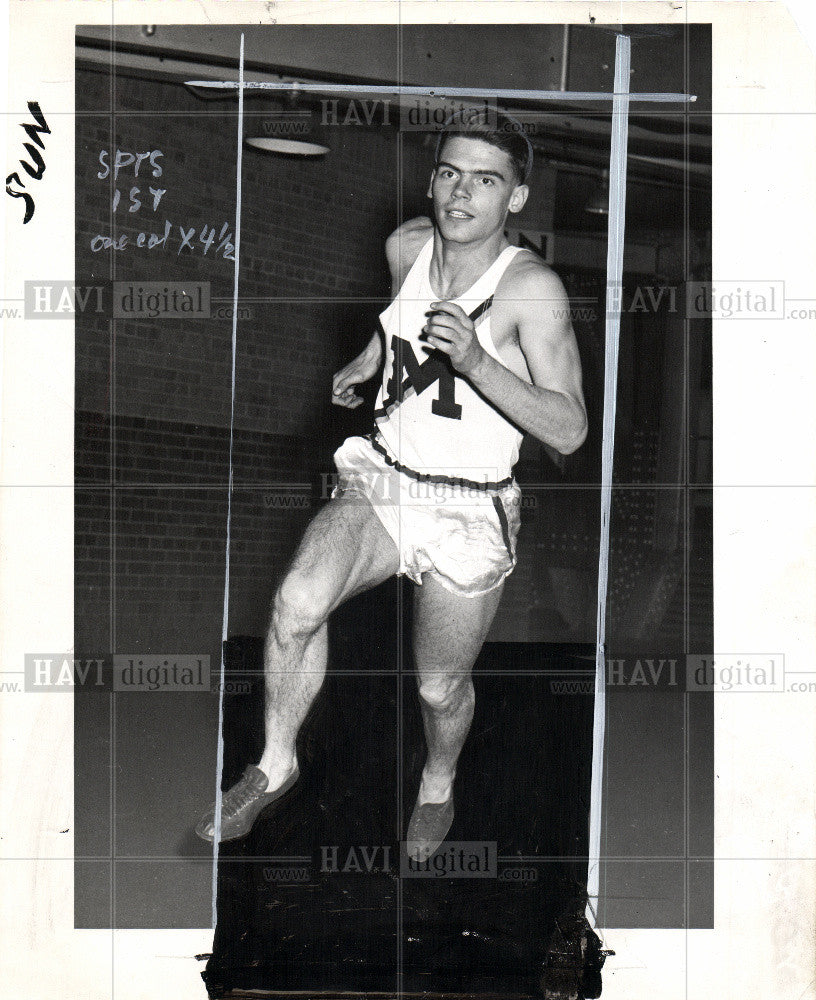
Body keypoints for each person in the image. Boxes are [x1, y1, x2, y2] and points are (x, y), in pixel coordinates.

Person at [196, 111, 587, 860]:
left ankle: (439, 778)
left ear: (518, 197)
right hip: (387, 474)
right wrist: (371, 358)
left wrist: (477, 363)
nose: (460, 193)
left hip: (471, 504)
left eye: (486, 180)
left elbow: (569, 431)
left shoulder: (530, 293)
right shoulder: (406, 245)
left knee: (439, 689)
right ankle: (276, 765)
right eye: (448, 172)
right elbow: (396, 321)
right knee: (297, 601)